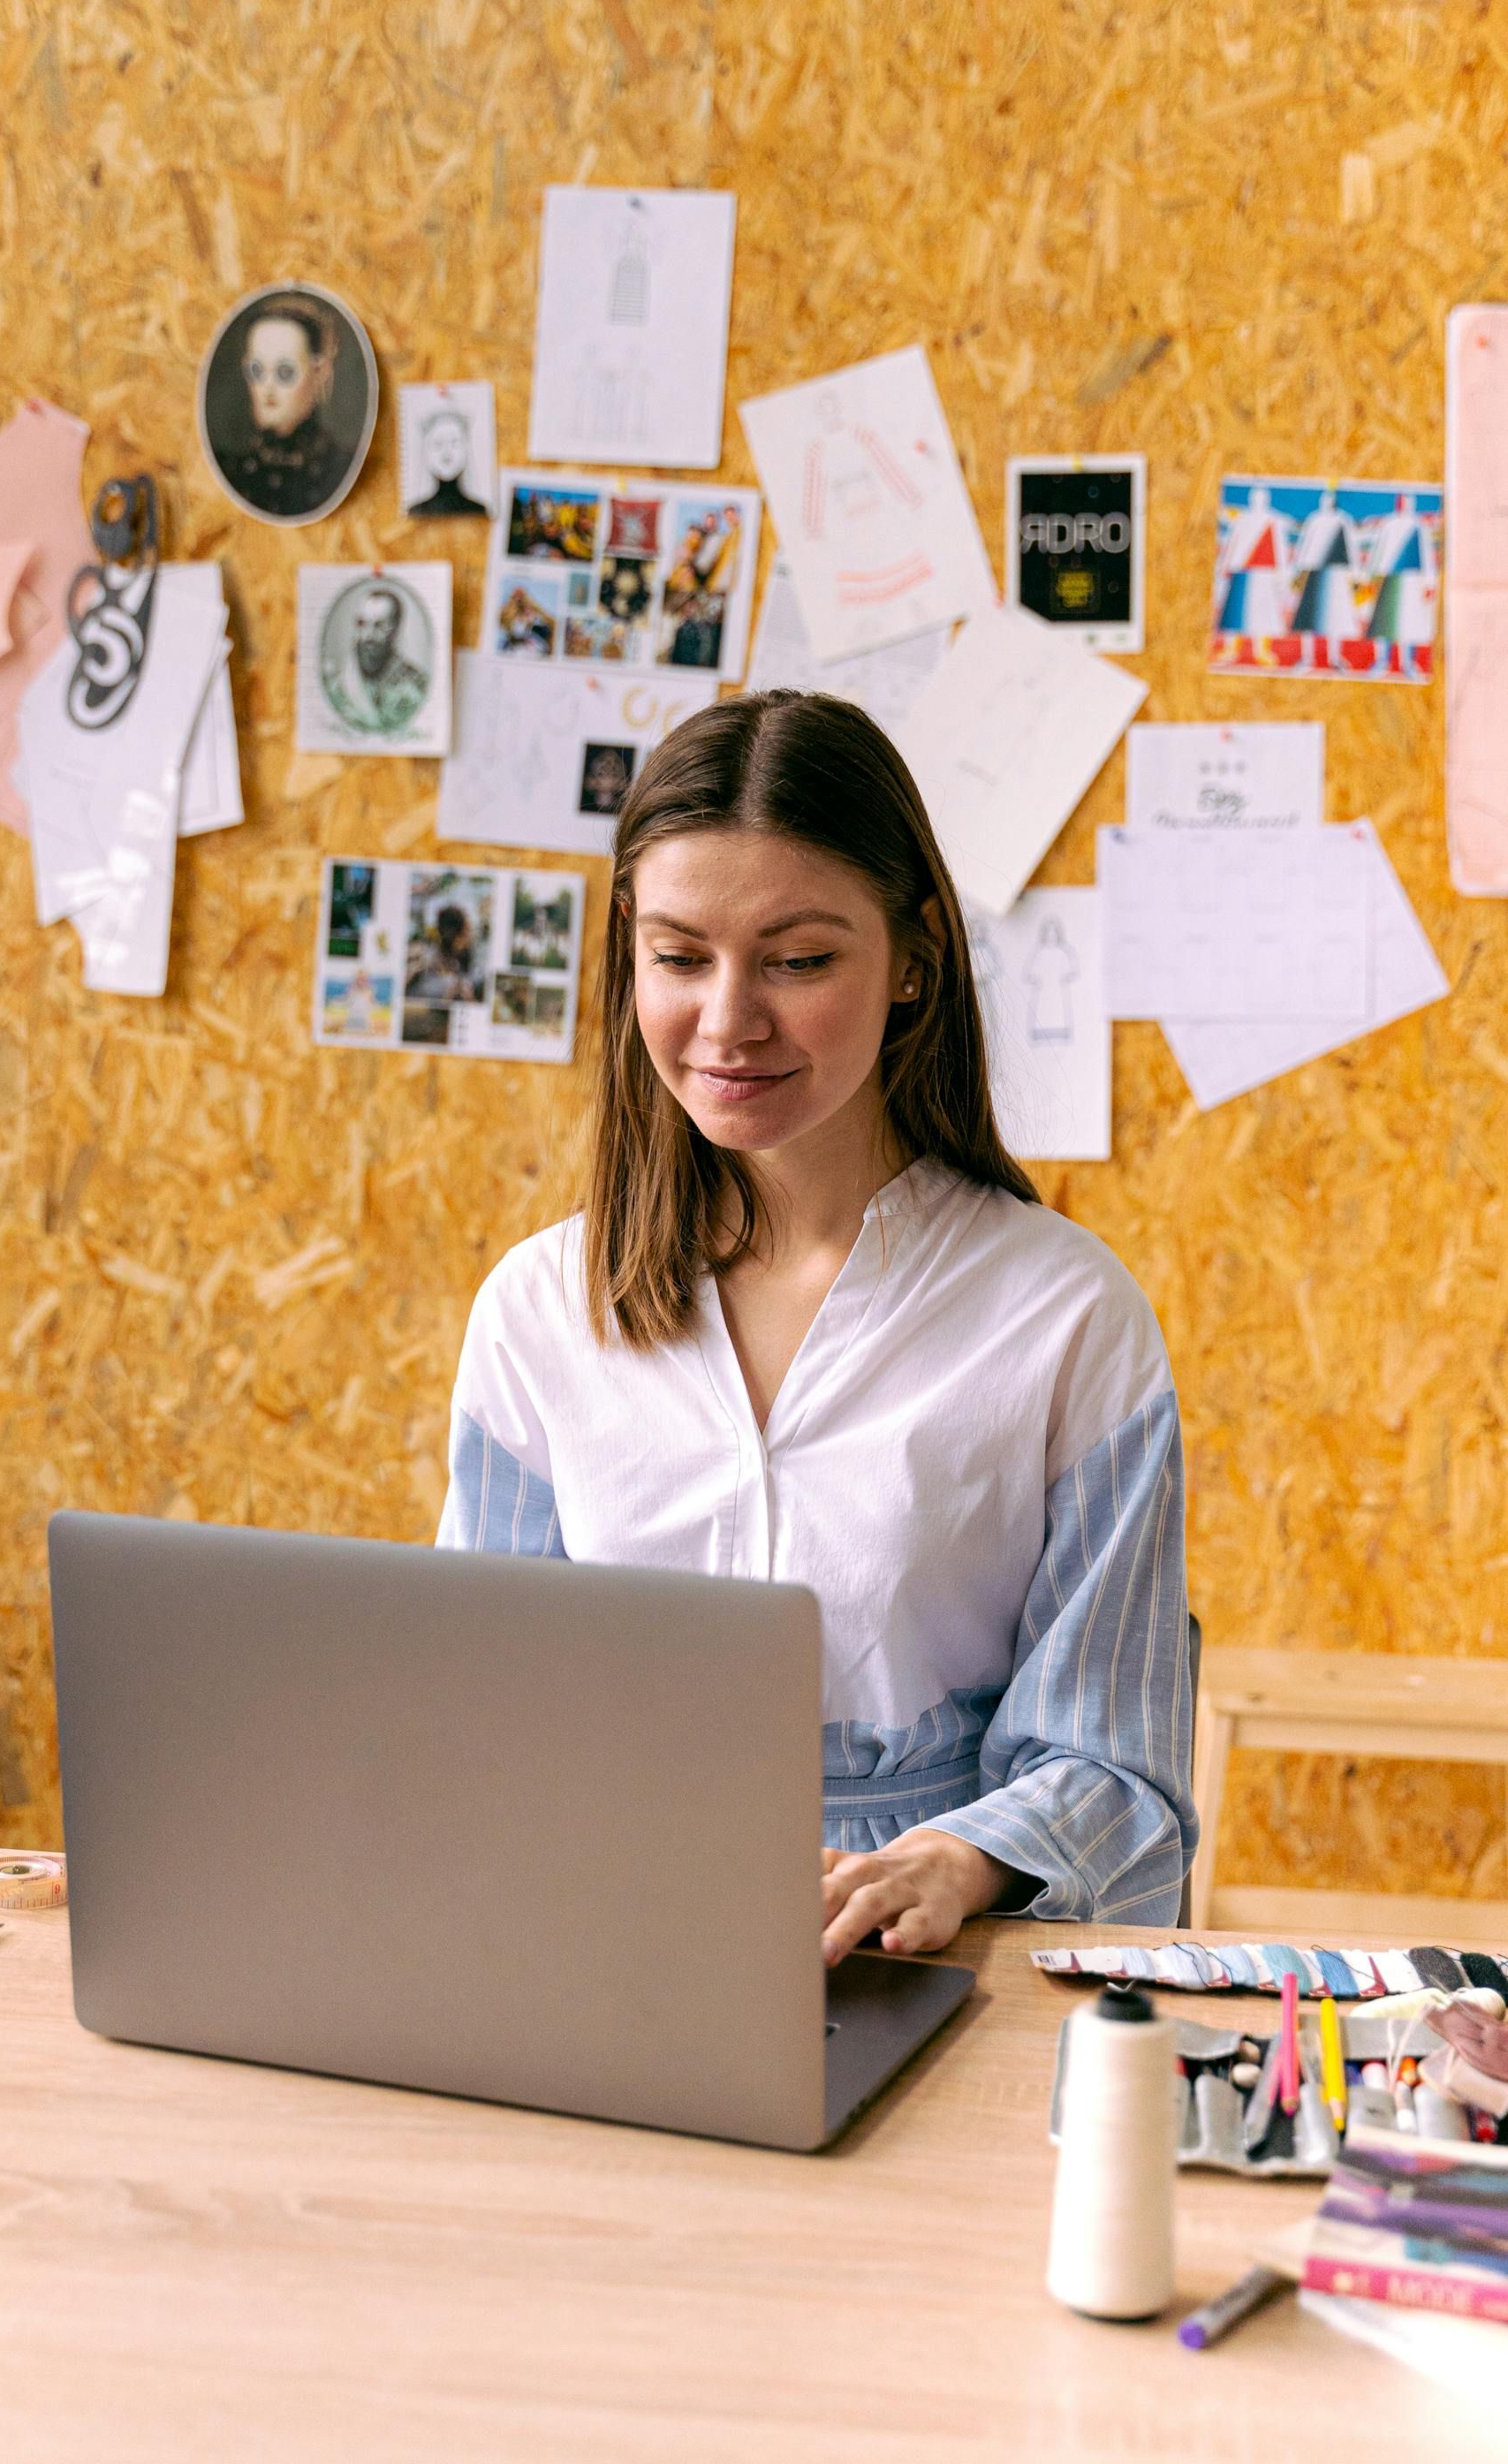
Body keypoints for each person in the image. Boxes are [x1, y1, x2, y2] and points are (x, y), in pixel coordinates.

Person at [438, 692, 1194, 1959]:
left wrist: (956, 1863)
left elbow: (1119, 1774)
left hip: (938, 1971)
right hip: (605, 1946)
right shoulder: (537, 1312)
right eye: (680, 958)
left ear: (913, 959)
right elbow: (474, 1716)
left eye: (798, 961)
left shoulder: (1067, 1319)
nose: (729, 1021)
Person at [224, 295, 349, 519]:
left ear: (319, 372)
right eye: (256, 371)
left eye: (285, 372)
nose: (267, 389)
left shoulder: (338, 467)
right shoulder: (233, 469)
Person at [328, 583, 428, 735]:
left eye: (379, 626)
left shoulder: (415, 686)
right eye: (362, 624)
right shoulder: (337, 684)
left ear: (395, 631)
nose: (367, 635)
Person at [406, 406, 488, 519]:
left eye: (455, 443)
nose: (447, 453)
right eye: (438, 444)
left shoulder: (480, 510)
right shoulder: (416, 511)